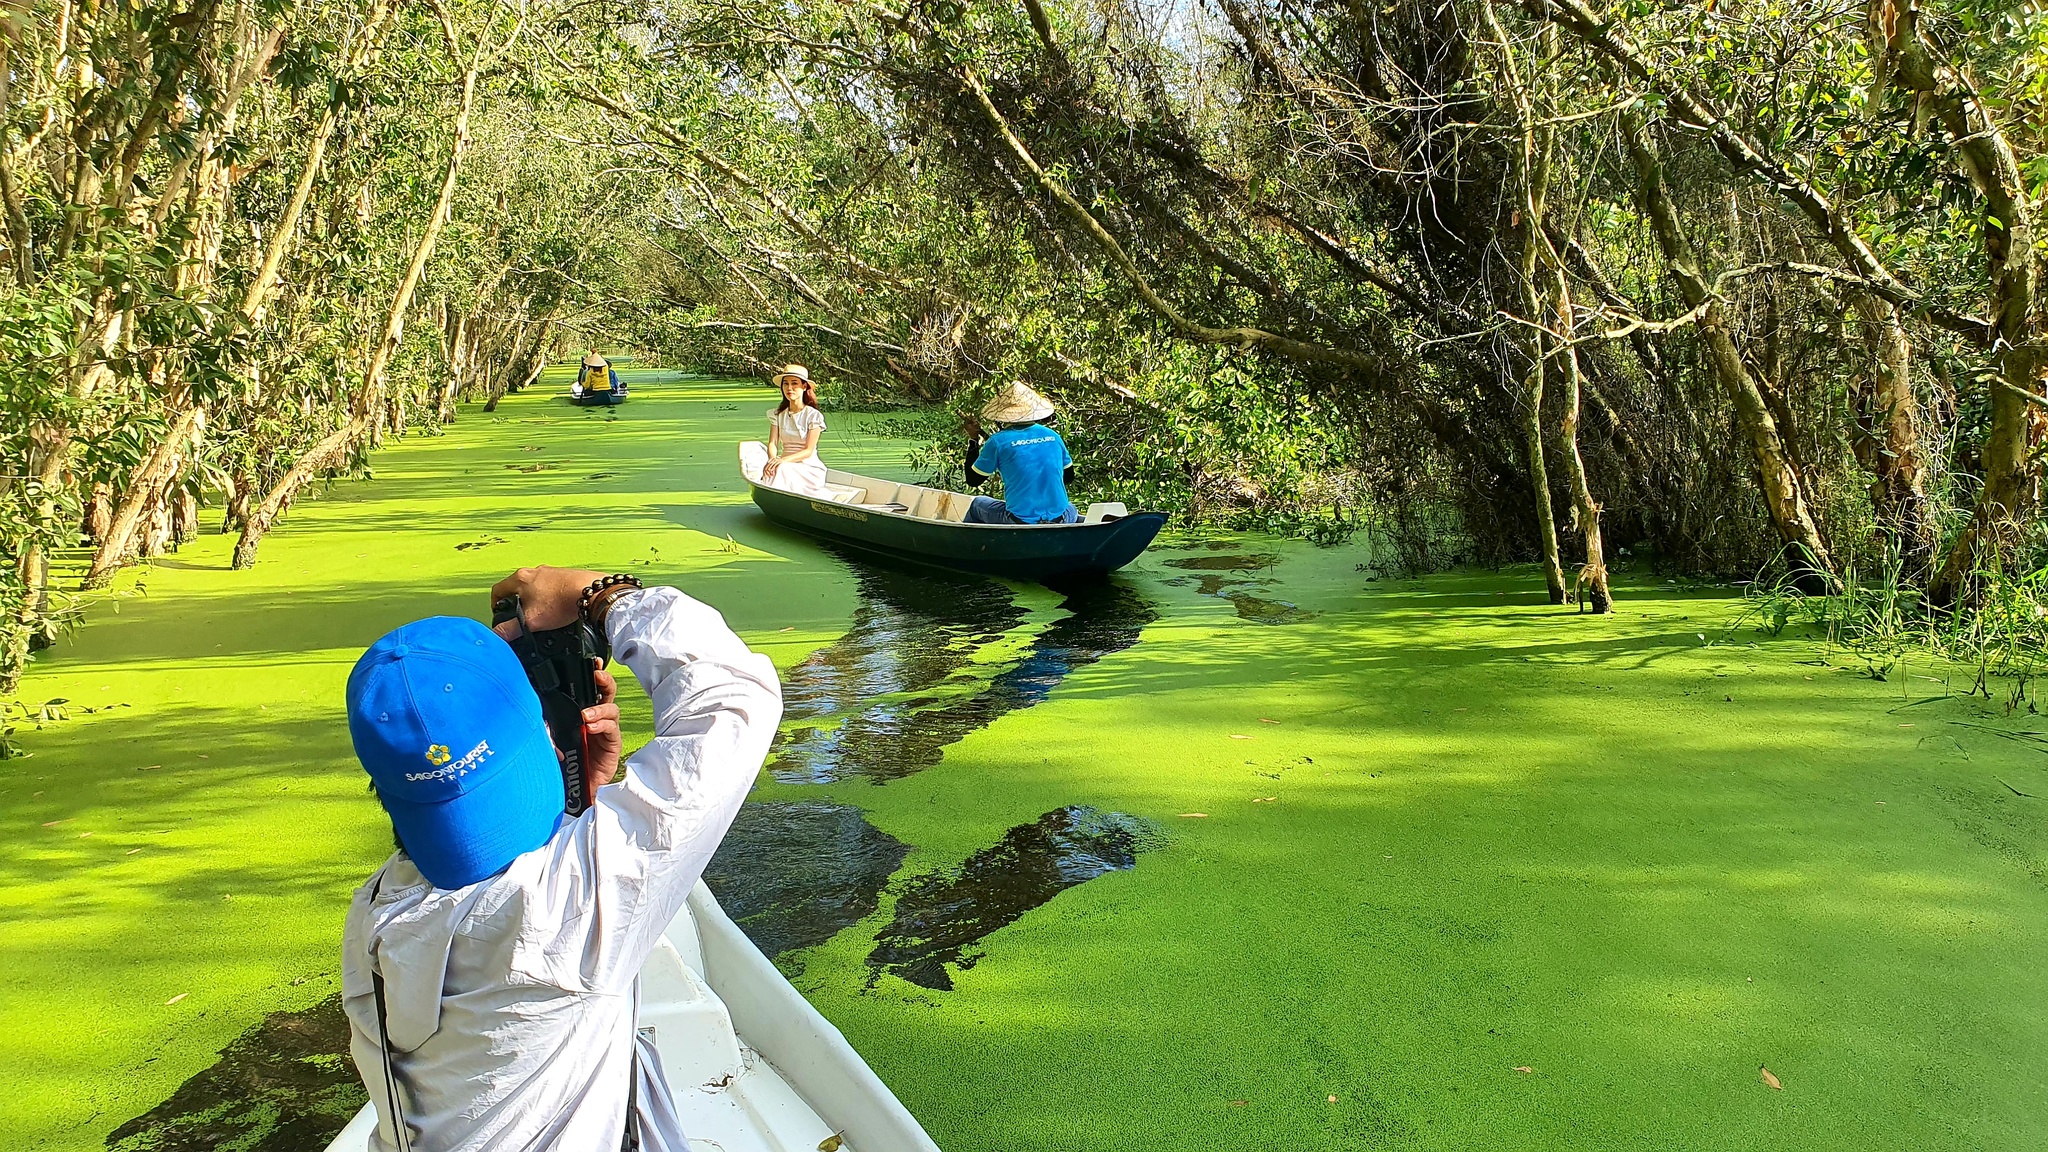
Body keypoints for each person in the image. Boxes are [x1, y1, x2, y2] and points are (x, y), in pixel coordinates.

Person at [340, 565, 781, 1151]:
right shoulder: (573, 909)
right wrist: (602, 594)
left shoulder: (377, 912)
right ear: (545, 732)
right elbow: (733, 696)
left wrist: (581, 807)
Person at [962, 381, 1077, 525]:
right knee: (1071, 507)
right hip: (1061, 518)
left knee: (977, 504)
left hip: (1020, 520)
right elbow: (1068, 477)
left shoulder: (997, 441)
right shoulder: (1053, 436)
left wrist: (973, 439)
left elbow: (973, 480)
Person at [761, 363, 830, 496]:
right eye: (785, 384)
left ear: (804, 386)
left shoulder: (813, 416)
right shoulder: (777, 415)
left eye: (794, 383)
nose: (789, 388)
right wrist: (772, 460)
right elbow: (772, 443)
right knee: (775, 470)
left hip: (808, 467)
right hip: (784, 464)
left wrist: (782, 461)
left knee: (781, 469)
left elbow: (808, 451)